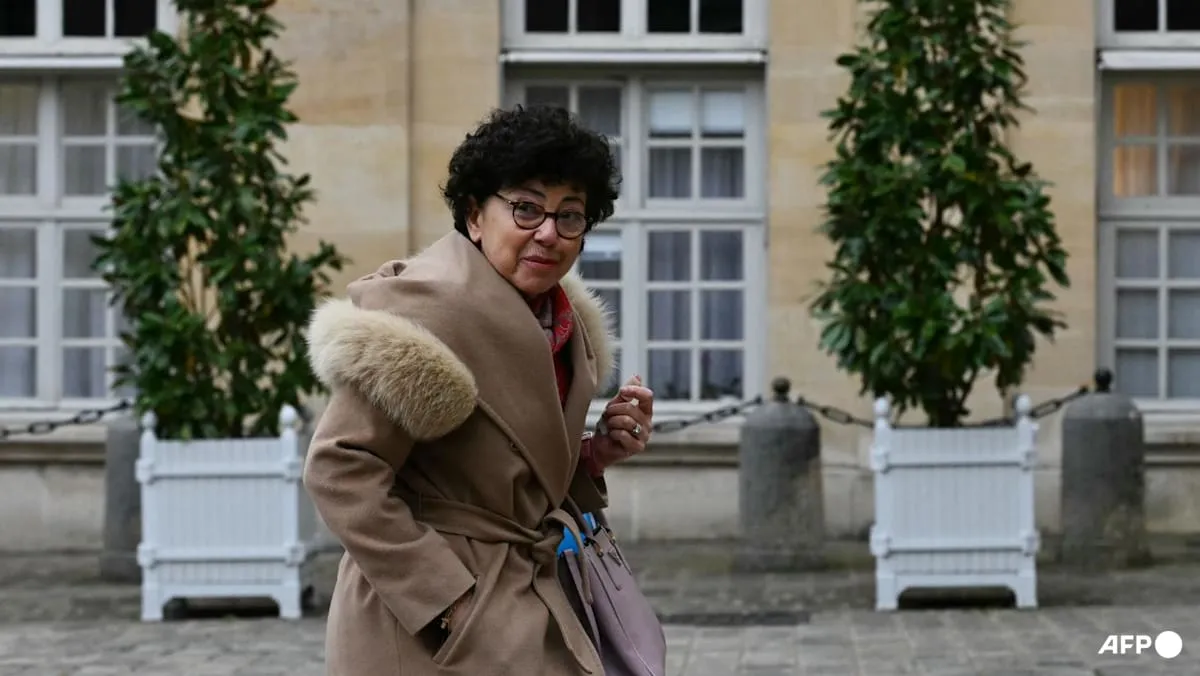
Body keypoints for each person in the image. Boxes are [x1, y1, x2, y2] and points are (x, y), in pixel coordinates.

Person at [302, 105, 656, 676]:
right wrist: (446, 600)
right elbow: (339, 469)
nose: (548, 232)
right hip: (429, 625)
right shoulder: (422, 319)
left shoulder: (561, 323)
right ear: (473, 214)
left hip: (523, 598)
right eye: (526, 208)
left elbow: (513, 469)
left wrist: (594, 454)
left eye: (571, 216)